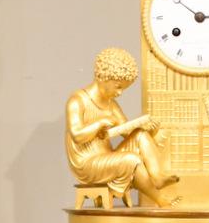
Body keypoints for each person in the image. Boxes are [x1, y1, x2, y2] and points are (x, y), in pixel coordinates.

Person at [66, 48, 178, 206]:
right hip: (87, 163)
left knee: (140, 134)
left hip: (107, 156)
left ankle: (157, 175)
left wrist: (147, 128)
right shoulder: (77, 100)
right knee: (131, 159)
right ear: (103, 78)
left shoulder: (112, 104)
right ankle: (160, 199)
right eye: (118, 86)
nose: (120, 93)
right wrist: (100, 123)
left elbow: (128, 132)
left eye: (123, 89)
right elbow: (77, 135)